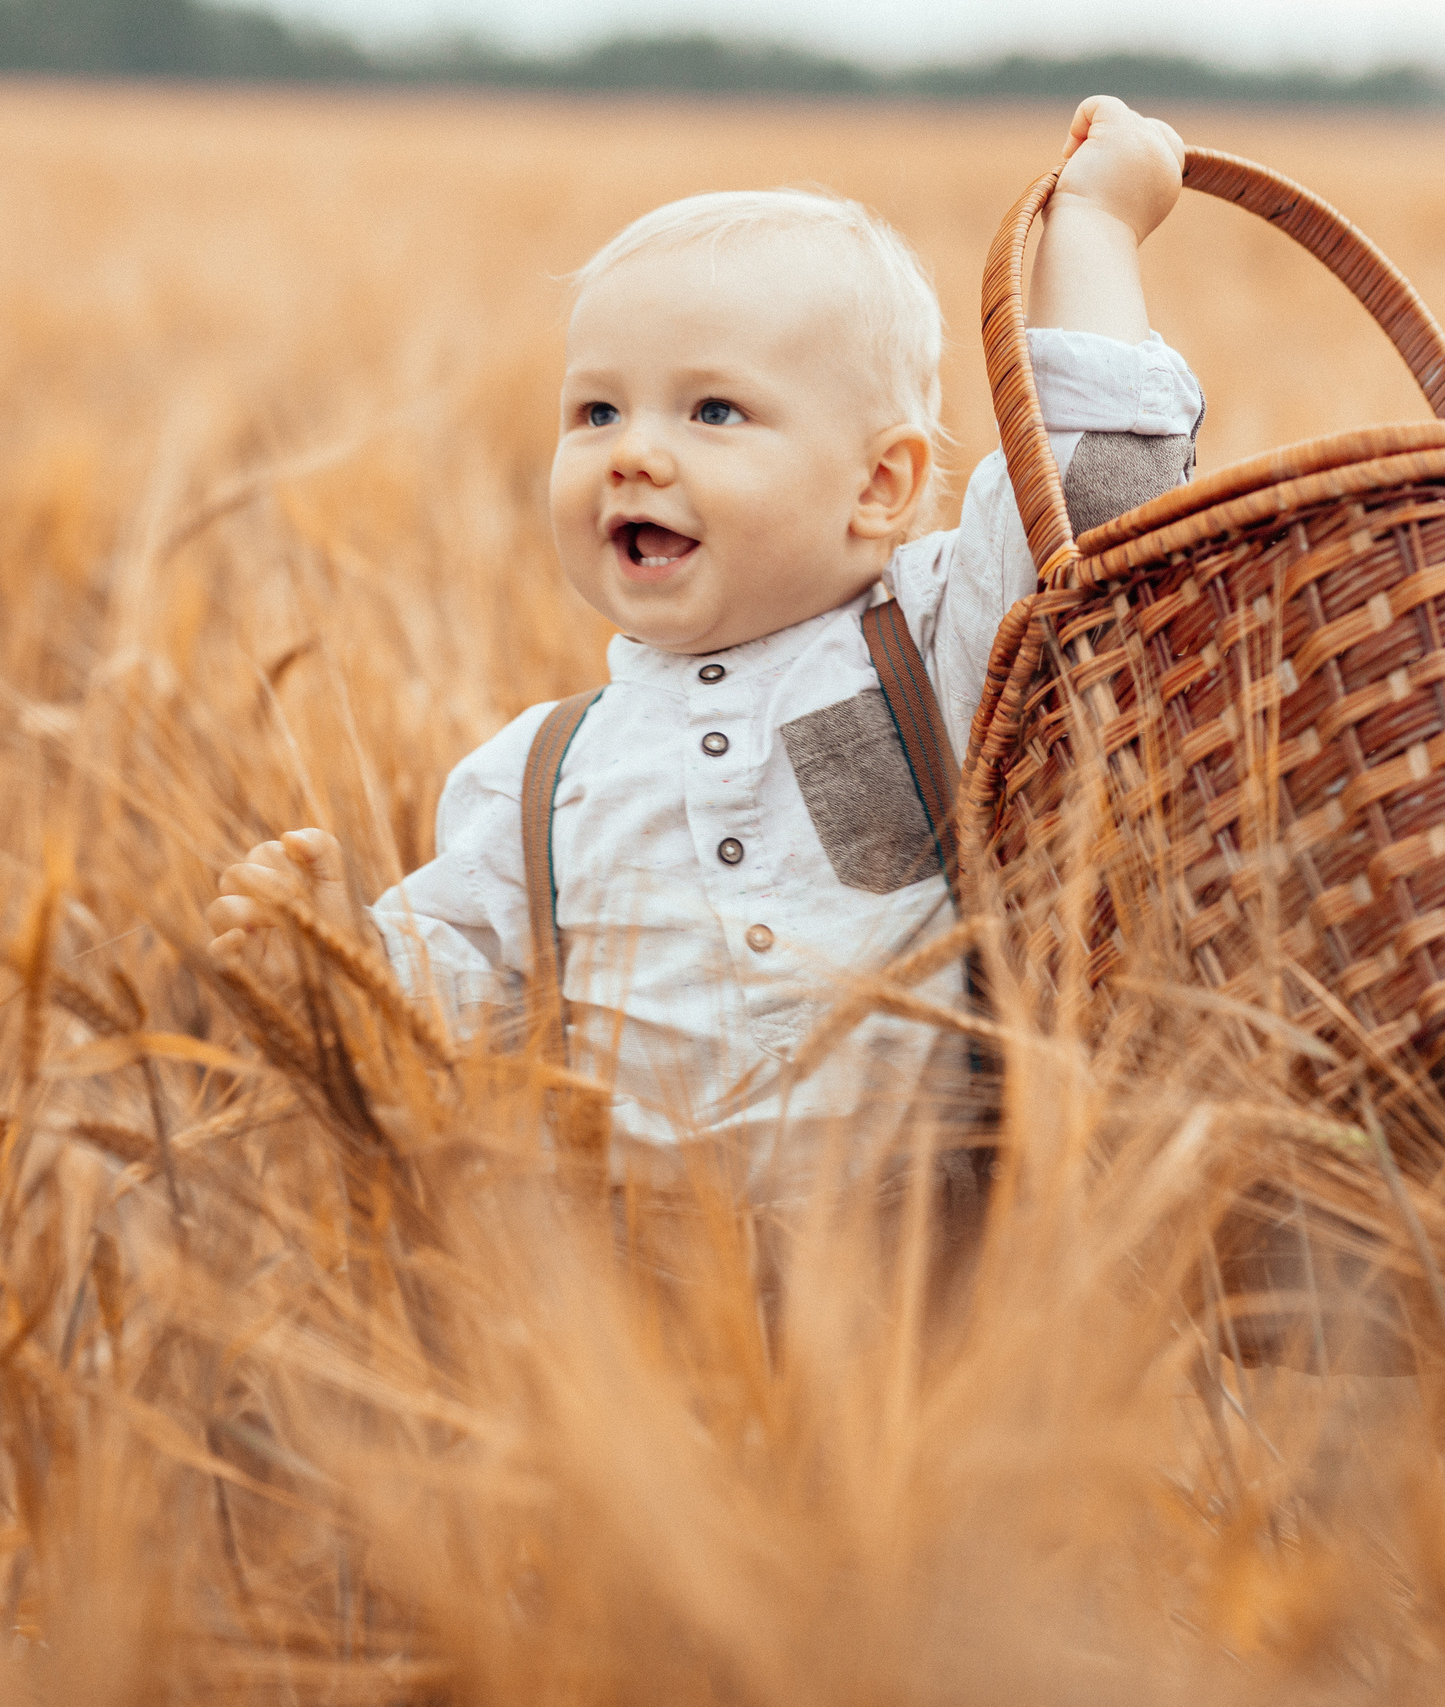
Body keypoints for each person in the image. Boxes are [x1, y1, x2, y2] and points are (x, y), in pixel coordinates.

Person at [205, 96, 1202, 1196]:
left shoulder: (932, 649)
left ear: (879, 486)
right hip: (645, 1320)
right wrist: (335, 954)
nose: (632, 454)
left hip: (948, 1291)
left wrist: (1098, 227)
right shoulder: (536, 779)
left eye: (712, 412)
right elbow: (443, 1026)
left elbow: (1096, 501)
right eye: (594, 413)